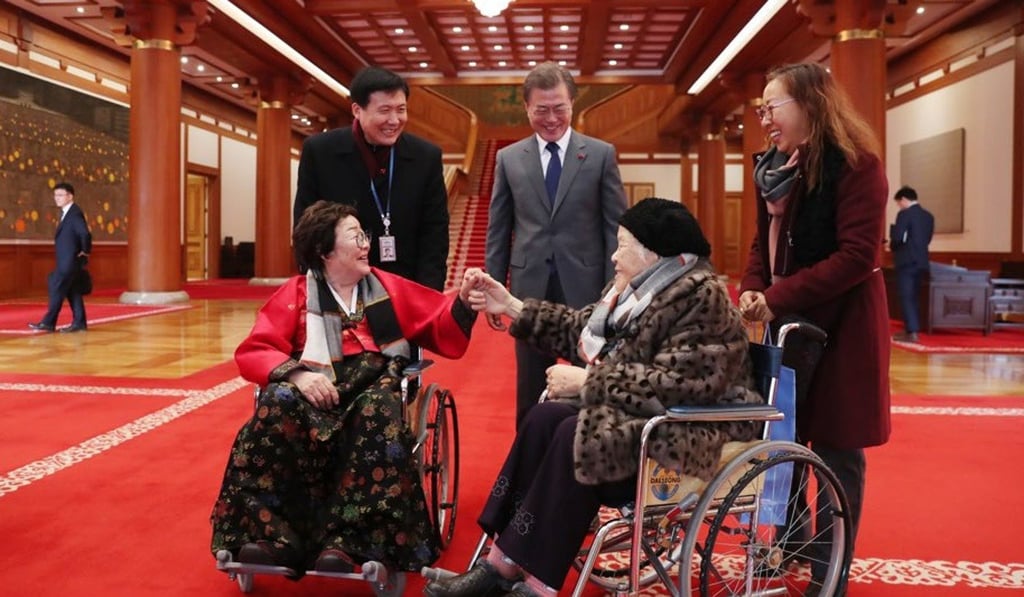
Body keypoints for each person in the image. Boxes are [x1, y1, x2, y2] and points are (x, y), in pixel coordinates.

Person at [426, 197, 762, 597]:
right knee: (545, 418)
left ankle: (538, 582)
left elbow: (683, 386)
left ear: (653, 253)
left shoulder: (703, 298)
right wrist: (512, 305)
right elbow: (580, 329)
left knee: (577, 432)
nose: (614, 255)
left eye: (622, 245)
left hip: (689, 429)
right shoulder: (634, 291)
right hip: (643, 419)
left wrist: (589, 383)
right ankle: (503, 562)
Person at [210, 201, 476, 576]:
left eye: (364, 235)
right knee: (276, 402)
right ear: (325, 251)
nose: (365, 243)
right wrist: (298, 377)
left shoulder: (387, 287)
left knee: (376, 412)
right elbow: (255, 350)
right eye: (355, 237)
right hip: (315, 388)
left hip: (372, 386)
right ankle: (272, 536)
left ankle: (350, 543)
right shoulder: (297, 292)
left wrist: (464, 299)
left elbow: (438, 318)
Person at [738, 63, 891, 597]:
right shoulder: (772, 168)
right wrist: (754, 290)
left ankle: (831, 572)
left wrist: (775, 296)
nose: (764, 119)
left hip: (842, 331)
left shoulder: (856, 166)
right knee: (781, 442)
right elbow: (762, 245)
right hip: (787, 330)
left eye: (770, 106)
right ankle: (786, 543)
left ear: (809, 105)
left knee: (835, 451)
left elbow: (855, 257)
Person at [485, 61, 627, 428]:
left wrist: (619, 285)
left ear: (573, 105)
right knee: (530, 380)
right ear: (527, 108)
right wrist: (492, 285)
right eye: (542, 110)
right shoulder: (509, 158)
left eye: (559, 108)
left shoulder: (600, 154)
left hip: (589, 285)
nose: (551, 118)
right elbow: (499, 227)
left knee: (588, 375)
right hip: (529, 285)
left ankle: (581, 455)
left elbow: (616, 226)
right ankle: (528, 465)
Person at [294, 66, 449, 290]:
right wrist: (319, 283)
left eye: (401, 109)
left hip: (405, 285)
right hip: (339, 285)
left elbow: (435, 232)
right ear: (357, 110)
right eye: (384, 110)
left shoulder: (426, 156)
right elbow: (305, 226)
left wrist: (429, 293)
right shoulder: (320, 152)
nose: (394, 120)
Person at [29, 182, 92, 333]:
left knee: (57, 287)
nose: (57, 198)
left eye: (60, 195)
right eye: (55, 195)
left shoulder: (74, 213)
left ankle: (48, 322)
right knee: (73, 291)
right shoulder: (67, 213)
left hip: (69, 261)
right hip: (68, 261)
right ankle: (79, 323)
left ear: (70, 196)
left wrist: (85, 251)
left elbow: (84, 233)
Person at [889, 185, 934, 342]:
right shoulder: (928, 216)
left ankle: (912, 331)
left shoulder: (904, 214)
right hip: (922, 261)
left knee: (906, 296)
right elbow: (927, 239)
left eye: (898, 203)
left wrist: (892, 246)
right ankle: (912, 329)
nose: (899, 206)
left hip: (906, 260)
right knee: (914, 296)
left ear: (903, 199)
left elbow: (898, 238)